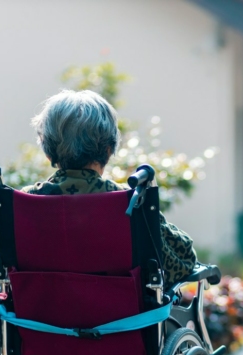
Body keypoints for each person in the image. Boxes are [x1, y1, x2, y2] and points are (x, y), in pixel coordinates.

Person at [22, 89, 197, 287]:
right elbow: (183, 261)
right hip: (120, 315)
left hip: (41, 314)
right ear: (108, 149)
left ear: (48, 152)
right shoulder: (130, 201)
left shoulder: (24, 203)